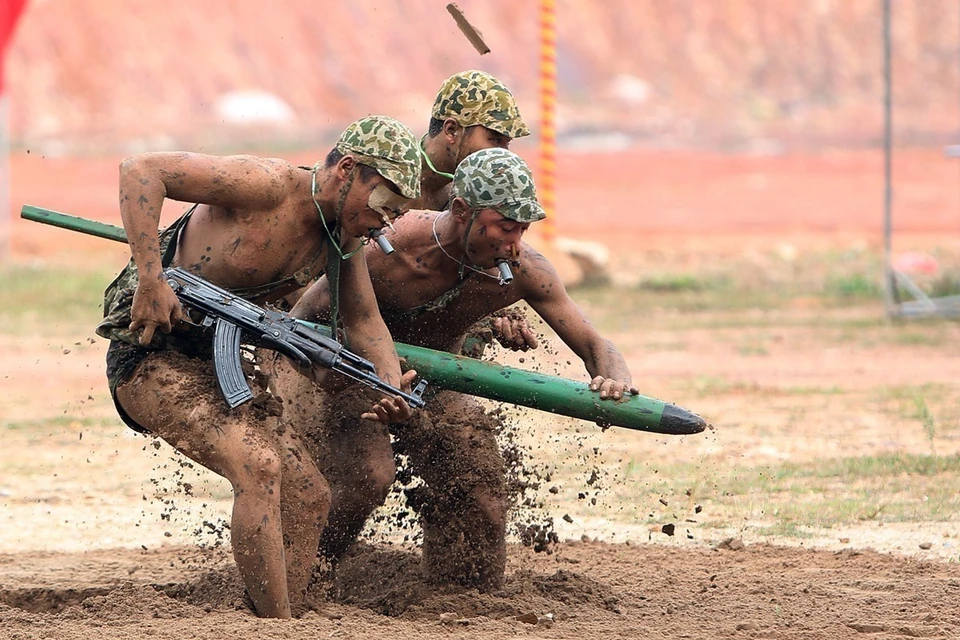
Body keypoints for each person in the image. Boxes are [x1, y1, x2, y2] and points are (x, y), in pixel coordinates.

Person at [94, 115, 423, 618]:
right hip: (149, 354)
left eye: (398, 212)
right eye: (383, 202)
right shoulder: (267, 186)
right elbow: (141, 170)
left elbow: (364, 321)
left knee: (310, 494)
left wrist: (388, 386)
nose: (388, 220)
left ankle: (282, 609)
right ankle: (278, 626)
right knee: (258, 465)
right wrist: (150, 279)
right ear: (348, 170)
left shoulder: (343, 240)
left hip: (218, 365)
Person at [275, 148, 638, 591]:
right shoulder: (386, 249)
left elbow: (596, 343)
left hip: (435, 383)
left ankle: (464, 595)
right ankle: (304, 577)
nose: (515, 243)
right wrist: (330, 383)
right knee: (368, 476)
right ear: (462, 211)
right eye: (505, 227)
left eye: (522, 229)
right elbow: (300, 322)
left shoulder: (524, 269)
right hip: (350, 374)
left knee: (478, 482)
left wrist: (615, 378)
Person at [412, 69, 530, 211]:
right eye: (496, 140)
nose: (503, 155)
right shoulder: (389, 176)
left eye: (507, 144)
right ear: (451, 130)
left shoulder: (475, 195)